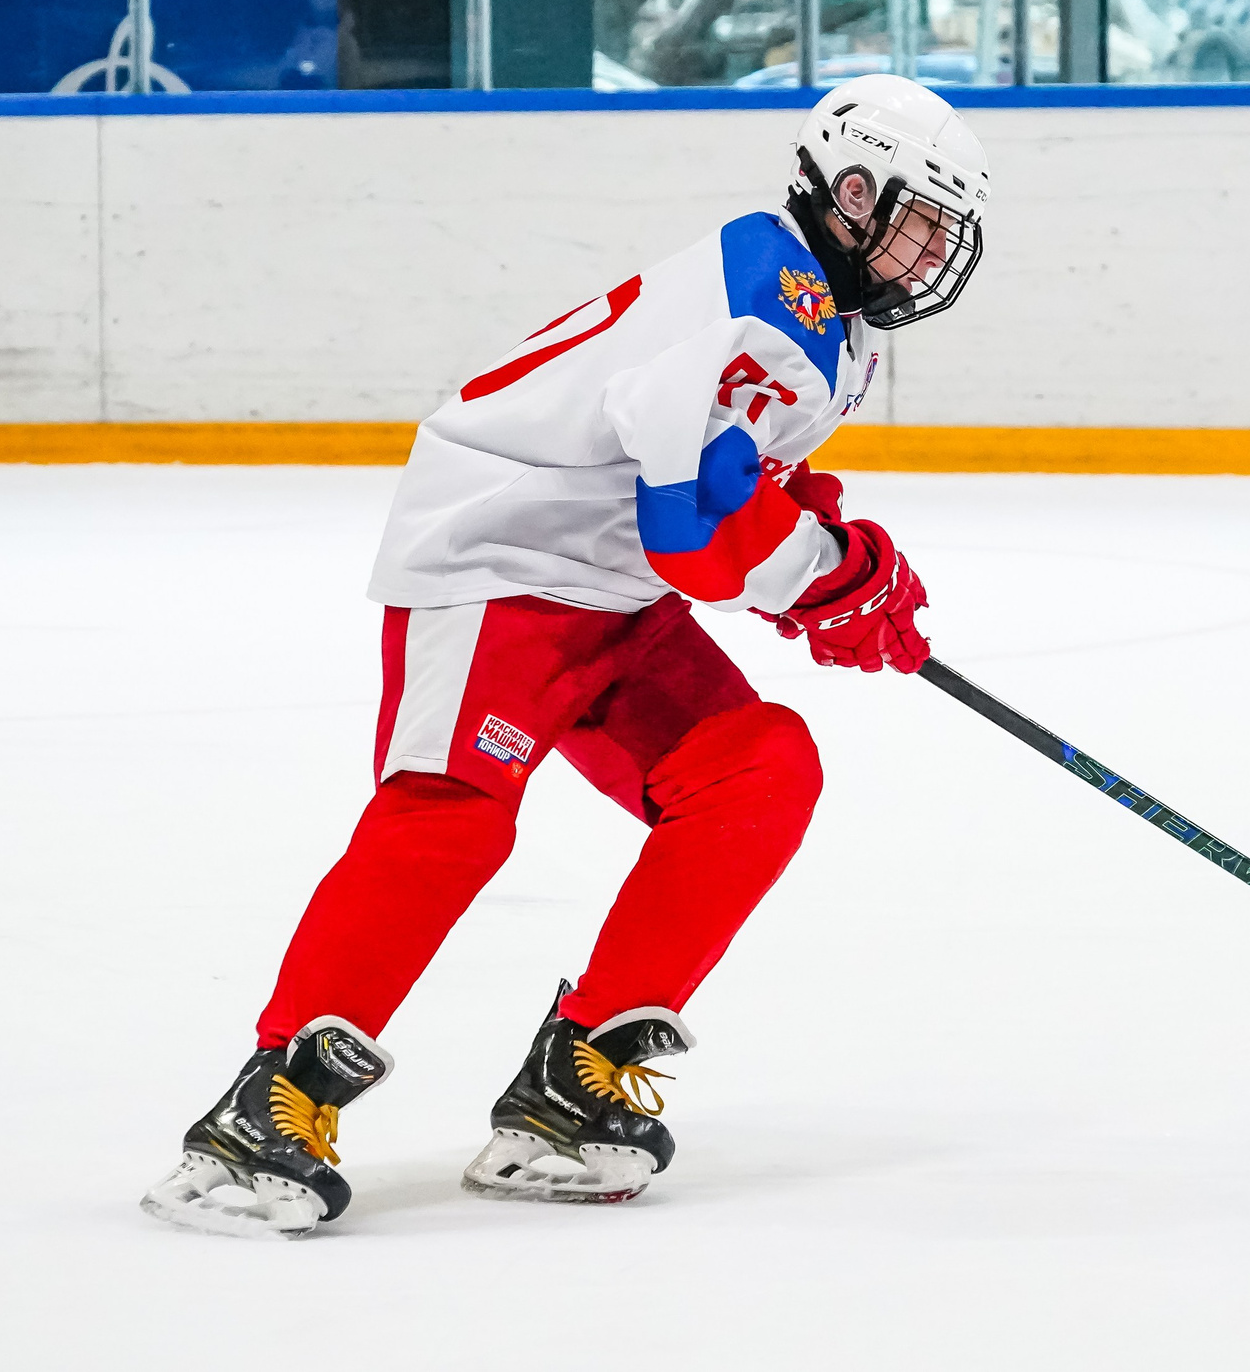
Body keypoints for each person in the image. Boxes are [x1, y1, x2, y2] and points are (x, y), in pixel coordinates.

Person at [141, 75, 991, 1238]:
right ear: (851, 191)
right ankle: (269, 1105)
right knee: (451, 815)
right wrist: (826, 583)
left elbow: (735, 480)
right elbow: (694, 527)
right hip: (501, 560)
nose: (928, 253)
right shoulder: (765, 292)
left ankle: (572, 1086)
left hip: (608, 590)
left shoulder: (824, 321)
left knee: (756, 767)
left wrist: (845, 559)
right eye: (917, 221)